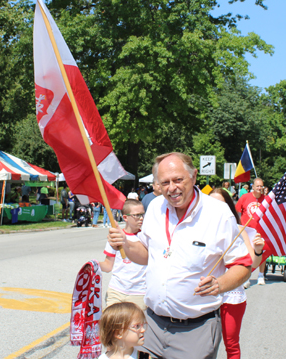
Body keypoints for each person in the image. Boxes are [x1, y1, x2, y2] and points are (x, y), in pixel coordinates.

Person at [108, 152, 252, 359]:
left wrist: (220, 284)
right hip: (153, 326)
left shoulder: (218, 213)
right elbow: (146, 254)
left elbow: (243, 266)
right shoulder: (156, 207)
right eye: (165, 182)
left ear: (193, 177)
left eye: (178, 180)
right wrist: (126, 245)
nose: (172, 188)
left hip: (196, 329)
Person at [209, 188, 264, 359]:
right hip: (205, 295)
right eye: (211, 204)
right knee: (204, 346)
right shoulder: (197, 229)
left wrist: (258, 251)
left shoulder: (239, 229)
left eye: (221, 204)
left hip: (231, 296)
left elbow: (252, 264)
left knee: (231, 345)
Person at [100, 200, 146, 310]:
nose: (141, 218)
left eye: (143, 214)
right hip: (116, 291)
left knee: (134, 327)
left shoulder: (145, 237)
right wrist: (94, 265)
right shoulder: (116, 236)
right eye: (136, 215)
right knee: (112, 325)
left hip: (139, 293)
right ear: (125, 217)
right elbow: (108, 265)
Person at [236, 177, 266, 285]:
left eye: (261, 186)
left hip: (260, 231)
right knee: (247, 254)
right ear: (252, 187)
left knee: (261, 253)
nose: (259, 188)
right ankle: (247, 277)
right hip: (246, 231)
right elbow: (237, 211)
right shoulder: (245, 197)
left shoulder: (266, 200)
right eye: (257, 186)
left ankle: (261, 276)